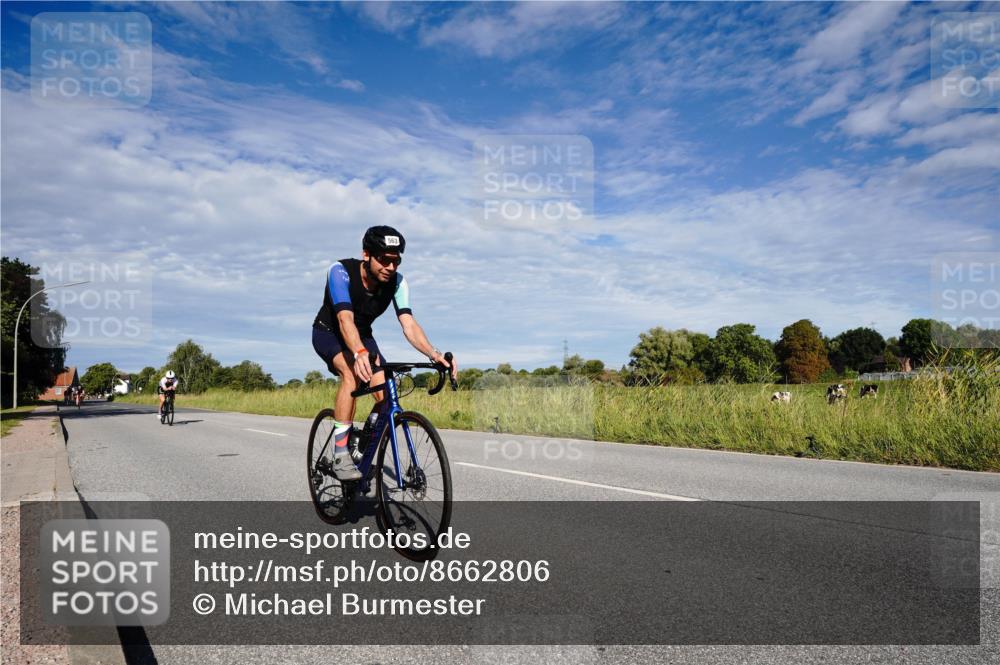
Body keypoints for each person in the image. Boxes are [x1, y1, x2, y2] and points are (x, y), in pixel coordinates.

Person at [312, 226, 457, 481]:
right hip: (330, 332)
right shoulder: (340, 272)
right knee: (351, 375)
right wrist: (358, 352)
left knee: (387, 393)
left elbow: (409, 325)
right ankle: (341, 453)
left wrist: (434, 355)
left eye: (396, 261)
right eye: (384, 259)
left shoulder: (397, 283)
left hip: (363, 336)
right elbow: (345, 319)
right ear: (366, 254)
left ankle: (363, 446)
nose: (391, 267)